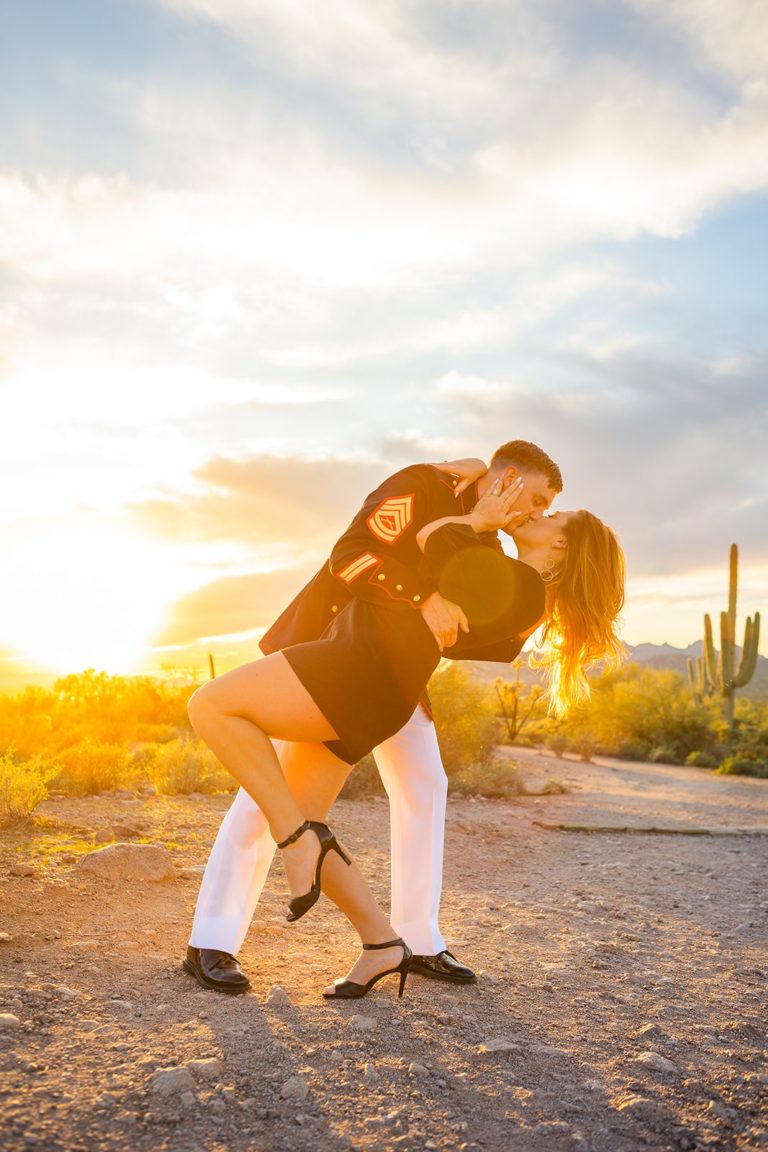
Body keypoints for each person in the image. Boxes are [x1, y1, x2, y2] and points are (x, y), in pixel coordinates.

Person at [186, 482, 625, 1001]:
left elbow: (443, 566)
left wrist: (470, 534)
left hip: (369, 674)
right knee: (294, 808)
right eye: (541, 501)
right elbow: (394, 568)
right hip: (362, 670)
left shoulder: (515, 577)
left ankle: (379, 914)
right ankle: (342, 942)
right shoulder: (490, 545)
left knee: (224, 717)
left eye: (552, 513)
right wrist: (434, 588)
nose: (539, 513)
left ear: (562, 546)